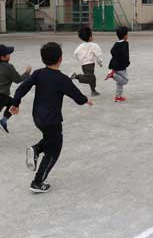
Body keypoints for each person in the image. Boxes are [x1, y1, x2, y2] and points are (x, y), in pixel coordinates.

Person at [10, 42, 92, 193]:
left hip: (37, 117)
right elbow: (77, 97)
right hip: (52, 120)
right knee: (54, 148)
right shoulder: (62, 79)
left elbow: (22, 88)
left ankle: (36, 149)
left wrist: (15, 103)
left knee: (50, 139)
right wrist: (86, 100)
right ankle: (38, 181)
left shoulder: (38, 73)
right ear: (60, 59)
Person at [71, 25, 103, 97]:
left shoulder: (81, 46)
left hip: (84, 65)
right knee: (90, 78)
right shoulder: (94, 45)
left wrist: (81, 60)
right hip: (90, 65)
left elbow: (75, 53)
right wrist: (100, 62)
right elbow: (98, 55)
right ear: (90, 37)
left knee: (92, 78)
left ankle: (93, 91)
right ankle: (76, 76)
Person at [105, 26, 130, 102]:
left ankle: (118, 96)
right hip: (121, 65)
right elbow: (125, 54)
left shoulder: (116, 43)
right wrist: (127, 62)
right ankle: (113, 75)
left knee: (119, 82)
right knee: (125, 81)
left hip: (114, 64)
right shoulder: (125, 43)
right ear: (125, 36)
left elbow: (112, 51)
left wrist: (115, 57)